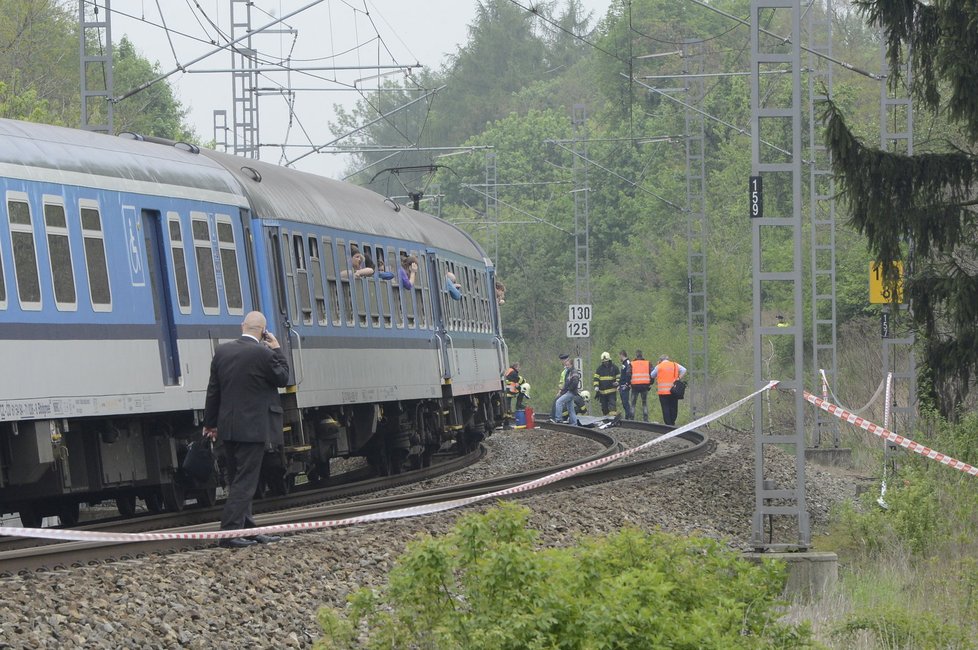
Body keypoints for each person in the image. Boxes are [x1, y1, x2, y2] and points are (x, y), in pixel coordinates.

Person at [203, 311, 290, 549]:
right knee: (246, 481)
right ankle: (229, 532)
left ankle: (249, 529)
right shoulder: (263, 353)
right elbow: (283, 377)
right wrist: (277, 349)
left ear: (242, 326)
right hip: (253, 429)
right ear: (263, 331)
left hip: (228, 428)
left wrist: (210, 424)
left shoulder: (222, 352)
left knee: (238, 479)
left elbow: (213, 391)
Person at [651, 355, 687, 426]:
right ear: (668, 359)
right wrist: (678, 378)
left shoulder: (659, 366)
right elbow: (684, 370)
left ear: (660, 360)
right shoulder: (674, 364)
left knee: (665, 408)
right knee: (674, 407)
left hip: (663, 392)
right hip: (673, 390)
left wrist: (658, 365)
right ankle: (673, 422)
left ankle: (668, 424)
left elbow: (652, 375)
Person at [553, 354, 581, 425]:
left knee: (558, 402)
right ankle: (574, 423)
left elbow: (575, 382)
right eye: (566, 365)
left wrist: (568, 389)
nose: (567, 366)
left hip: (571, 392)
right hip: (569, 392)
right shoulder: (569, 372)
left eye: (568, 365)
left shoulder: (573, 372)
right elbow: (566, 384)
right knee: (571, 409)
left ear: (571, 365)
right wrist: (563, 391)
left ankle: (558, 419)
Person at [593, 351, 619, 415]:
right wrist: (596, 386)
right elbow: (596, 378)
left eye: (606, 361)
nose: (605, 363)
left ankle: (613, 419)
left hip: (611, 392)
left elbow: (618, 376)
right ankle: (606, 420)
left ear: (609, 360)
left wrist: (617, 382)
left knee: (612, 406)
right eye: (604, 362)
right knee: (604, 408)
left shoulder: (614, 368)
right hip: (602, 392)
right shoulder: (599, 369)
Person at [630, 350, 652, 422]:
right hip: (644, 386)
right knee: (644, 403)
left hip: (635, 386)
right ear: (642, 355)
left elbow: (628, 373)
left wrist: (630, 382)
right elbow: (652, 374)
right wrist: (650, 383)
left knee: (633, 403)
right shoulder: (648, 363)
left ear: (636, 355)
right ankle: (646, 420)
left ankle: (631, 419)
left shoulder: (632, 363)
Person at [618, 350, 635, 420]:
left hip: (625, 386)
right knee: (624, 403)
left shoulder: (627, 363)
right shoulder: (624, 363)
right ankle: (627, 417)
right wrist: (619, 383)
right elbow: (623, 375)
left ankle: (629, 417)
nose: (619, 357)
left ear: (622, 355)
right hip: (622, 386)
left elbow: (628, 374)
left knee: (626, 402)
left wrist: (627, 384)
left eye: (619, 356)